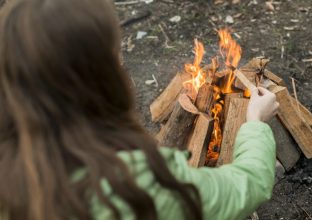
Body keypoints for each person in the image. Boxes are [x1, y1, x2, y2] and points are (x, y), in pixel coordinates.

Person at [0, 0, 279, 219]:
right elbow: (247, 185)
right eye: (113, 52)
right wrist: (255, 122)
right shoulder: (133, 186)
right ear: (99, 75)